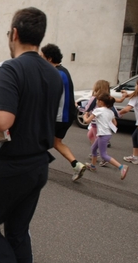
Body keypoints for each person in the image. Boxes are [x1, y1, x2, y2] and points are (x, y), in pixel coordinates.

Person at [0, 7, 63, 262]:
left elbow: (3, 120)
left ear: (15, 34)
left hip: (12, 165)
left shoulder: (11, 68)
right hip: (39, 165)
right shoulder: (54, 74)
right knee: (18, 232)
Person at [41, 43, 86, 182]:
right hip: (67, 116)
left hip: (58, 116)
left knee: (37, 138)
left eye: (42, 57)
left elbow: (49, 96)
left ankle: (35, 167)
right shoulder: (64, 71)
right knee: (56, 142)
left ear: (49, 58)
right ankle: (76, 164)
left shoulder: (56, 73)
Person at [83, 93, 129, 179]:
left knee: (103, 155)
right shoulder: (111, 111)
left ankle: (122, 167)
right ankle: (92, 166)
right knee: (93, 148)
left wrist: (85, 116)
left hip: (103, 135)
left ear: (101, 102)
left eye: (97, 100)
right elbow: (115, 123)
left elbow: (87, 121)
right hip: (106, 134)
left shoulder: (98, 110)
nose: (96, 101)